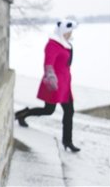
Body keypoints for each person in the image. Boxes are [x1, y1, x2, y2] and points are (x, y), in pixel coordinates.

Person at [15, 19, 81, 152]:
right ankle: (22, 114)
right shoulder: (53, 44)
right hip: (53, 84)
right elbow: (48, 64)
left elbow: (67, 64)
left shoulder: (67, 45)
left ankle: (67, 141)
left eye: (71, 32)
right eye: (68, 31)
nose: (70, 34)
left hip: (65, 85)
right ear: (62, 31)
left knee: (69, 111)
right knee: (48, 110)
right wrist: (51, 77)